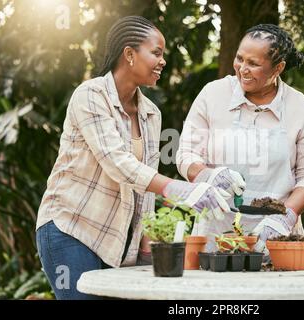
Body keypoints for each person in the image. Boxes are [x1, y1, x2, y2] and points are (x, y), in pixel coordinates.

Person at [35, 16, 230, 300]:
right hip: (71, 229)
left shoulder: (151, 113)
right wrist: (179, 189)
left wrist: (147, 246)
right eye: (156, 52)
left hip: (115, 242)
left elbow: (145, 181)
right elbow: (117, 163)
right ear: (129, 54)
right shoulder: (90, 95)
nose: (163, 61)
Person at [176, 24, 304, 254]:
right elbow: (186, 154)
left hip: (277, 239)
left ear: (278, 68)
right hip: (216, 236)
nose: (242, 69)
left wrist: (286, 217)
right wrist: (208, 174)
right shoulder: (213, 94)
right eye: (239, 59)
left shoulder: (301, 108)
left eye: (254, 64)